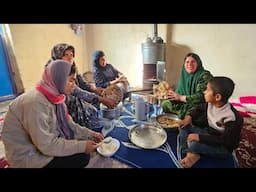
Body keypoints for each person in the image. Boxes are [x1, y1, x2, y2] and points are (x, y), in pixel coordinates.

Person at [1, 60, 104, 168]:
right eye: (71, 81)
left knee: (82, 148)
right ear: (58, 79)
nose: (74, 86)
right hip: (27, 156)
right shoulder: (35, 103)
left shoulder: (56, 98)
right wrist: (82, 146)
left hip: (39, 144)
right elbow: (46, 145)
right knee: (81, 156)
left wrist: (90, 134)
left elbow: (69, 124)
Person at [178, 76, 243, 168]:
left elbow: (226, 141)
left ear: (217, 97)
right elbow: (198, 109)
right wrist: (189, 117)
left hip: (223, 147)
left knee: (194, 145)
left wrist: (199, 137)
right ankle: (189, 153)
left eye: (207, 90)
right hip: (209, 133)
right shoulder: (211, 104)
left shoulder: (231, 117)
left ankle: (192, 151)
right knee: (183, 126)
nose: (204, 92)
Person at [47, 43, 116, 129]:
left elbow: (82, 83)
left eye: (72, 55)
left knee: (93, 110)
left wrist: (95, 89)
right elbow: (76, 91)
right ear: (58, 56)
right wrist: (102, 100)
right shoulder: (55, 71)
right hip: (64, 104)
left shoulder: (72, 66)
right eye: (66, 55)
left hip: (76, 97)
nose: (70, 58)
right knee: (80, 122)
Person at [161, 53, 213, 119]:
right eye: (187, 62)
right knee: (165, 104)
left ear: (198, 63)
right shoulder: (185, 75)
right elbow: (179, 92)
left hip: (198, 106)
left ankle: (182, 122)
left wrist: (180, 97)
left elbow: (201, 97)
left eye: (193, 62)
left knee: (189, 113)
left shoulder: (204, 75)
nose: (190, 64)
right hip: (184, 103)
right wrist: (170, 95)